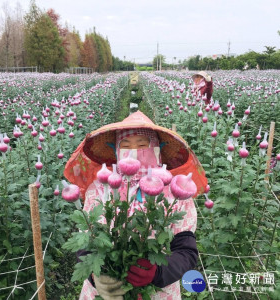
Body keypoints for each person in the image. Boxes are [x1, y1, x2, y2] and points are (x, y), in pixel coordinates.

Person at [64, 111, 208, 300]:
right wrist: (95, 276)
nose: (133, 153)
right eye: (125, 146)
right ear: (115, 151)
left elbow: (186, 251)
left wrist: (158, 272)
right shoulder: (100, 188)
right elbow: (86, 240)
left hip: (157, 293)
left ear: (157, 148)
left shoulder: (175, 190)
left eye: (142, 145)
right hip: (107, 293)